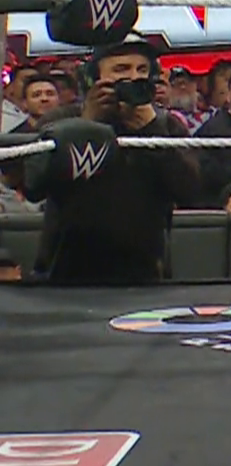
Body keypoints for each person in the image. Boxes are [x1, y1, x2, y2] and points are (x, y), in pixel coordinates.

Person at [20, 33, 200, 284]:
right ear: (95, 79)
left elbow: (189, 190)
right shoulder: (61, 120)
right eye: (121, 69)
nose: (134, 77)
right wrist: (87, 124)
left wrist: (152, 132)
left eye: (142, 70)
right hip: (68, 270)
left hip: (144, 272)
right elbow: (34, 186)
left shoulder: (166, 125)